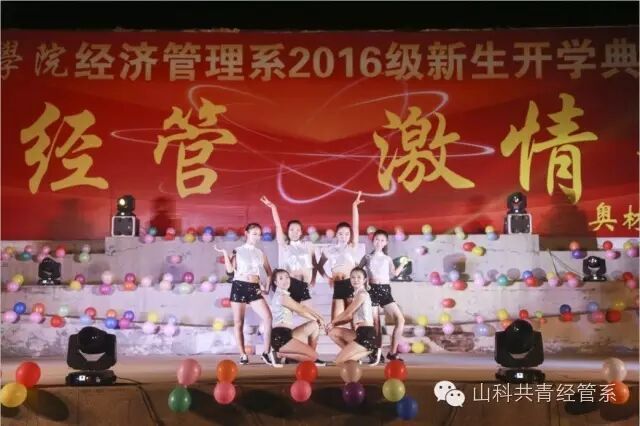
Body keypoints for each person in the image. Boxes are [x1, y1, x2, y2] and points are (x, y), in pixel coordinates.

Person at [215, 223, 280, 367]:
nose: (257, 237)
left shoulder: (260, 253)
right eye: (254, 233)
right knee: (239, 322)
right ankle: (243, 354)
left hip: (254, 287)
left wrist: (266, 288)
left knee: (268, 317)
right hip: (239, 286)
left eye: (259, 234)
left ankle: (266, 352)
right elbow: (230, 271)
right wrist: (225, 254)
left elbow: (269, 273)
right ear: (246, 234)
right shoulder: (237, 251)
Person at [260, 196, 318, 349]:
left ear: (301, 232)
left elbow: (314, 264)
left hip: (303, 286)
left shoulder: (307, 246)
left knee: (313, 320)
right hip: (289, 287)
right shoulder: (284, 246)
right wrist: (273, 207)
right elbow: (278, 226)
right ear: (288, 231)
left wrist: (313, 279)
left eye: (298, 230)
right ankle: (277, 349)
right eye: (291, 229)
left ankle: (312, 354)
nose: (295, 232)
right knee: (284, 321)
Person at [359, 229, 407, 362]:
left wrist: (403, 264)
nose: (379, 242)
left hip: (385, 291)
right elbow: (358, 272)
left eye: (382, 240)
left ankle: (392, 352)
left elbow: (394, 273)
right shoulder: (367, 257)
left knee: (400, 320)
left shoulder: (387, 258)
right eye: (377, 239)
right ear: (373, 241)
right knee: (376, 324)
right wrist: (362, 285)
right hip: (372, 290)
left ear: (386, 243)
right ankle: (375, 353)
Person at [317, 191, 364, 325]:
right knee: (334, 323)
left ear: (350, 235)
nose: (344, 236)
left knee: (355, 321)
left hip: (350, 284)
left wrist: (354, 206)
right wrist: (327, 278)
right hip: (337, 285)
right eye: (341, 234)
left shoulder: (352, 247)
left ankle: (357, 337)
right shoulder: (330, 250)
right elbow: (319, 266)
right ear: (336, 234)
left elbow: (356, 226)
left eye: (347, 234)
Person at [269, 269, 327, 365]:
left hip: (288, 334)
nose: (285, 280)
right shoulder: (282, 297)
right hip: (279, 337)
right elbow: (302, 308)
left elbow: (301, 311)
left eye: (287, 277)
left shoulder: (285, 295)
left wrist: (317, 320)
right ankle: (278, 354)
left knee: (314, 325)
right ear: (276, 283)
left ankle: (309, 357)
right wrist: (319, 318)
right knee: (314, 356)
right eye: (281, 278)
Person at [326, 267, 378, 365]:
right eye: (353, 277)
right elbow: (350, 317)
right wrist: (334, 325)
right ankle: (355, 355)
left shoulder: (362, 294)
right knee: (332, 332)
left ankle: (371, 350)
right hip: (359, 332)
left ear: (364, 280)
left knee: (337, 362)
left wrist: (332, 322)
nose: (355, 280)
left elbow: (347, 312)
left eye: (359, 277)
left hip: (367, 334)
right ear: (350, 279)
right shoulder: (356, 295)